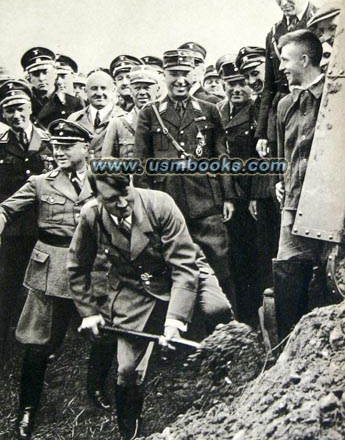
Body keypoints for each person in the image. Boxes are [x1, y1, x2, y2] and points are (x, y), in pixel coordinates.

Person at [0, 120, 111, 439]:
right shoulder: (40, 182)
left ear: (85, 148)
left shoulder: (103, 179)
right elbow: (7, 210)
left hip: (93, 267)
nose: (59, 152)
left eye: (66, 146)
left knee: (104, 331)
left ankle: (96, 389)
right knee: (37, 343)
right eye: (55, 146)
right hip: (50, 267)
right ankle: (27, 410)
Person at [68, 173, 200, 440]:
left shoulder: (160, 203)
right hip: (132, 290)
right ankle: (130, 432)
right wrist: (90, 312)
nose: (122, 203)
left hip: (180, 272)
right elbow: (76, 268)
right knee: (127, 370)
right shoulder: (91, 215)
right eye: (111, 199)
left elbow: (184, 266)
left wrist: (175, 321)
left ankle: (231, 394)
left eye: (125, 193)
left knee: (217, 312)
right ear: (97, 198)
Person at [134, 49, 236, 311]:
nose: (180, 80)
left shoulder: (210, 110)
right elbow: (142, 163)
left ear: (195, 75)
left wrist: (228, 197)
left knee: (219, 263)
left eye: (185, 74)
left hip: (207, 202)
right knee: (174, 266)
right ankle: (184, 329)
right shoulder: (150, 113)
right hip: (168, 203)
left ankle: (226, 328)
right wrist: (146, 206)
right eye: (174, 74)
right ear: (164, 77)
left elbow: (221, 154)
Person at [273, 30, 329, 341]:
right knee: (288, 270)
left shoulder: (335, 96)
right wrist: (281, 184)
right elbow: (285, 154)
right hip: (293, 205)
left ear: (304, 59)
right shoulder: (284, 104)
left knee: (330, 277)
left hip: (329, 207)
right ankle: (285, 353)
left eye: (285, 60)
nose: (281, 67)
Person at [0, 79, 54, 357]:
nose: (16, 115)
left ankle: (42, 346)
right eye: (9, 111)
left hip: (45, 227)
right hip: (10, 230)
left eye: (20, 107)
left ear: (31, 107)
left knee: (43, 290)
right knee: (6, 287)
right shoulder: (1, 144)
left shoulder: (50, 142)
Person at [255, 0, 317, 159]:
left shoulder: (322, 23)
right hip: (282, 113)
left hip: (314, 109)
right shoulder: (273, 33)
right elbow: (269, 86)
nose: (283, 2)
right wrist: (262, 133)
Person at [217, 62, 259, 325]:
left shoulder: (257, 112)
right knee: (230, 257)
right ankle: (235, 315)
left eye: (242, 82)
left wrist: (255, 194)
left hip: (249, 196)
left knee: (251, 255)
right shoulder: (216, 112)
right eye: (231, 83)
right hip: (226, 196)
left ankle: (253, 315)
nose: (236, 89)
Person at [236, 46, 280, 292]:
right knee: (266, 251)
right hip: (264, 190)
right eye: (248, 77)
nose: (253, 81)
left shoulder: (282, 96)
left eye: (256, 73)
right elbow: (256, 154)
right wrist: (254, 193)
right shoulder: (256, 107)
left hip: (283, 185)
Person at [101, 66, 160, 158]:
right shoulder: (118, 123)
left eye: (146, 88)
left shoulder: (168, 121)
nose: (142, 92)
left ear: (157, 90)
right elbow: (105, 161)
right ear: (131, 91)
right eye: (137, 88)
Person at [67, 70, 127, 157]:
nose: (99, 93)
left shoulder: (125, 120)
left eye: (103, 88)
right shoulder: (73, 119)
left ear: (113, 90)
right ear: (85, 91)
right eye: (94, 88)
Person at [21, 48, 83, 129]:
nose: (41, 78)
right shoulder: (23, 104)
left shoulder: (73, 104)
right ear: (29, 78)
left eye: (45, 72)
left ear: (54, 73)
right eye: (35, 74)